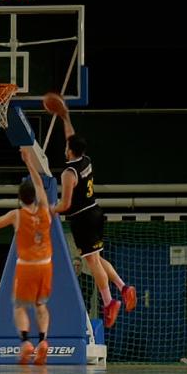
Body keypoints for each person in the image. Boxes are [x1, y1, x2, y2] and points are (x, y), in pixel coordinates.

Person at [50, 97, 136, 328]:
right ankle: (123, 286)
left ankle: (109, 302)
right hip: (96, 212)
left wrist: (51, 209)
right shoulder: (85, 159)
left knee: (92, 263)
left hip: (82, 219)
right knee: (97, 258)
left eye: (66, 146)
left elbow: (66, 203)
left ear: (69, 150)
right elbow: (72, 137)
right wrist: (65, 115)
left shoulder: (68, 173)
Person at [0, 147, 54, 365]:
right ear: (35, 196)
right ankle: (43, 341)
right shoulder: (45, 210)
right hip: (46, 265)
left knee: (20, 307)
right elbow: (39, 184)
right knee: (41, 305)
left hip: (28, 266)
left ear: (19, 198)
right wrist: (29, 162)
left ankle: (26, 342)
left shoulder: (17, 215)